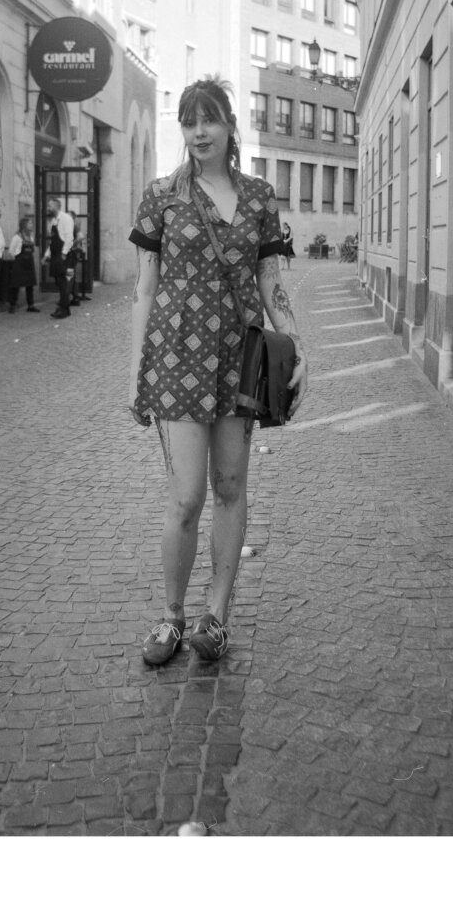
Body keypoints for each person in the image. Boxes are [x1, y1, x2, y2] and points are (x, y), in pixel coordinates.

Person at [128, 76, 308, 666]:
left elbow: (270, 282)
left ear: (230, 125)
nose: (198, 131)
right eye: (188, 121)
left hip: (239, 355)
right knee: (185, 497)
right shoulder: (163, 196)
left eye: (208, 119)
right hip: (178, 355)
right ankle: (171, 616)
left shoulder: (258, 197)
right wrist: (137, 372)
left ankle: (217, 616)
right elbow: (145, 289)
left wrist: (296, 346)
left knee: (231, 488)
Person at [42, 196, 75, 319]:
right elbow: (53, 242)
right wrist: (46, 255)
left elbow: (69, 238)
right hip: (56, 255)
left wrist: (64, 253)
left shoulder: (65, 218)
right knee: (59, 282)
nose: (48, 208)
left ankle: (64, 309)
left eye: (50, 206)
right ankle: (63, 307)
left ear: (57, 206)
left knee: (64, 283)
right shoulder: (54, 221)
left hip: (64, 256)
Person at [7, 216, 39, 313]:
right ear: (24, 225)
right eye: (30, 223)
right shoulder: (17, 237)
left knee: (30, 285)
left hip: (29, 263)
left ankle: (31, 305)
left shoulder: (31, 236)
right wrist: (17, 260)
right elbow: (11, 251)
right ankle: (12, 305)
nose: (31, 225)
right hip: (19, 263)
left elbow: (32, 249)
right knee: (16, 284)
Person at [65, 210, 91, 307]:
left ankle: (67, 298)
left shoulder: (73, 228)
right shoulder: (72, 227)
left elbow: (77, 239)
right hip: (72, 255)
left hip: (70, 255)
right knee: (71, 276)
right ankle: (75, 296)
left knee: (69, 276)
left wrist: (75, 244)